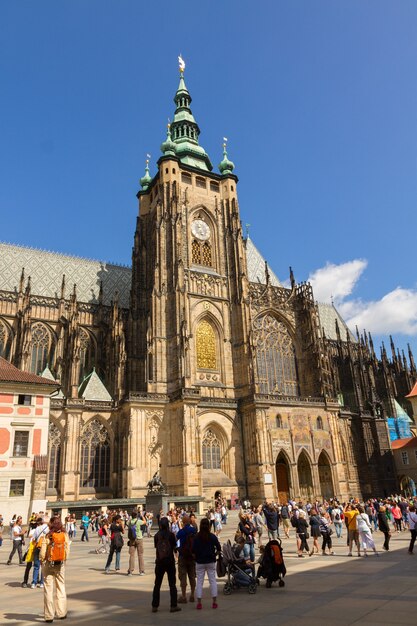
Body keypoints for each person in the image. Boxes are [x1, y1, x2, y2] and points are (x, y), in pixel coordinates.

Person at [40, 515, 70, 623]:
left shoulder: (47, 536)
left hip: (49, 564)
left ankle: (49, 616)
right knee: (61, 587)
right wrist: (63, 560)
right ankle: (61, 613)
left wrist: (42, 561)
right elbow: (67, 550)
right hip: (60, 564)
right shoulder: (64, 535)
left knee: (48, 590)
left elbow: (42, 553)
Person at [151, 517, 181, 613]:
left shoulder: (156, 535)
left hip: (159, 562)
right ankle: (173, 605)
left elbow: (156, 546)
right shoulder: (171, 535)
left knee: (157, 584)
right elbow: (174, 547)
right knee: (172, 584)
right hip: (169, 561)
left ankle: (154, 606)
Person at [192, 517, 221, 610]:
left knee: (199, 582)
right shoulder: (212, 536)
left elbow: (193, 550)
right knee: (212, 581)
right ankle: (214, 602)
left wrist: (196, 556)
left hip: (200, 561)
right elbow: (219, 548)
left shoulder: (196, 536)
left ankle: (199, 603)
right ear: (209, 526)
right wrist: (214, 554)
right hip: (210, 561)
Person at [176, 514, 197, 603]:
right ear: (189, 521)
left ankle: (184, 596)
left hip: (183, 556)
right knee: (192, 576)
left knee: (183, 576)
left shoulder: (181, 532)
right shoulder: (193, 530)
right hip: (192, 556)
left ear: (183, 522)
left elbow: (175, 539)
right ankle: (192, 595)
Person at [127, 508, 146, 576]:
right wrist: (142, 515)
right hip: (139, 539)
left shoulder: (130, 521)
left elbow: (127, 523)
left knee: (132, 555)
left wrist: (130, 518)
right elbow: (145, 522)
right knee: (140, 555)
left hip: (132, 539)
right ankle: (141, 571)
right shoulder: (138, 521)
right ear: (137, 515)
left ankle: (130, 571)